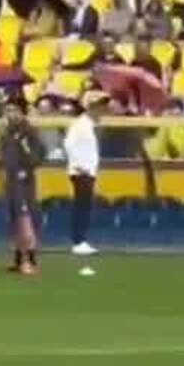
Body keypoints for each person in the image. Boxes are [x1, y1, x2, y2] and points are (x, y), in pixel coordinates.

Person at [0, 97, 43, 274]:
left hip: (23, 182)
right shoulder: (7, 131)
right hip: (10, 180)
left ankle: (31, 260)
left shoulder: (28, 132)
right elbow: (4, 153)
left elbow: (38, 154)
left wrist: (27, 168)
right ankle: (17, 259)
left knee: (25, 220)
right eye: (7, 110)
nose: (10, 114)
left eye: (14, 110)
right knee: (15, 221)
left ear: (22, 112)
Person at [64, 96, 101, 258]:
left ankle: (80, 240)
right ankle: (79, 241)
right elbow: (68, 144)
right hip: (82, 172)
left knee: (84, 206)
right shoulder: (80, 124)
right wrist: (79, 165)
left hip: (88, 171)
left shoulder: (88, 125)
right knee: (82, 206)